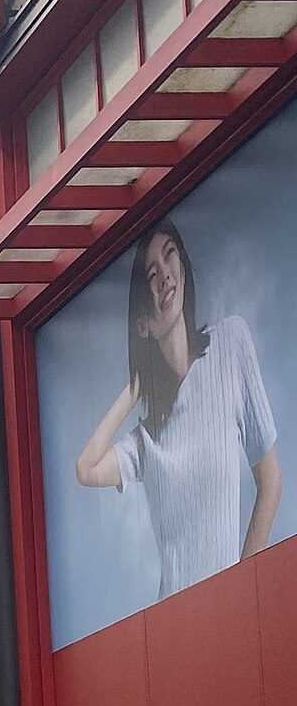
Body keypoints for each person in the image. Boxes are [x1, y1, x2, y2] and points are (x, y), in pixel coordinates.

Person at [75, 217, 281, 599]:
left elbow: (270, 482)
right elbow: (86, 469)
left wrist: (243, 588)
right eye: (151, 275)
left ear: (184, 271)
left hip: (230, 610)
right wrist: (137, 384)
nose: (164, 276)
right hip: (174, 624)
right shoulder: (146, 440)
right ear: (143, 325)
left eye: (170, 256)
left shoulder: (231, 342)